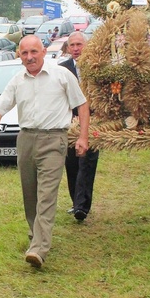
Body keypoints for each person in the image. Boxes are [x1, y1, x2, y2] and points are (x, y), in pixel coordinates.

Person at [0, 35, 90, 268]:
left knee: (47, 194)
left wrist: (82, 136)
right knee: (30, 193)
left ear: (44, 52)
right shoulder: (17, 81)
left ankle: (40, 248)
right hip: (26, 140)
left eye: (34, 52)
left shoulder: (62, 76)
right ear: (19, 56)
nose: (30, 57)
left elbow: (81, 104)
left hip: (54, 139)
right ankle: (35, 235)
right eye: (24, 53)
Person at [60, 31, 100, 222]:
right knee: (72, 164)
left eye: (79, 44)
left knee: (87, 163)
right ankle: (76, 202)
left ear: (86, 45)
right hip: (69, 124)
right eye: (72, 45)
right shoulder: (62, 70)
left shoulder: (97, 67)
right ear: (68, 48)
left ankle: (82, 207)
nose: (76, 49)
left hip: (93, 122)